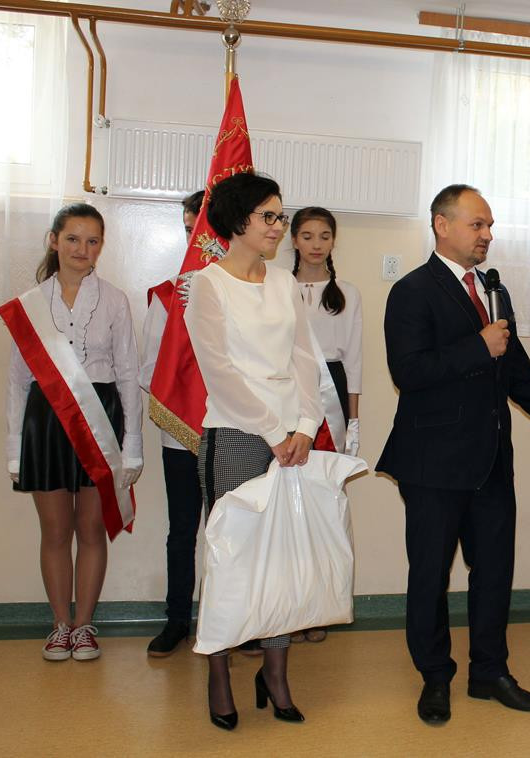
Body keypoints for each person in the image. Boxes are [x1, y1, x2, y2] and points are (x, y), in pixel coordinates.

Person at [377, 184, 530, 725]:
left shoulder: (494, 292)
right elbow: (409, 372)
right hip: (433, 463)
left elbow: (515, 369)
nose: (487, 235)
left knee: (494, 572)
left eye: (490, 226)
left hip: (492, 459)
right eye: (477, 224)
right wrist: (478, 346)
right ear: (442, 225)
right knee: (430, 576)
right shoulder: (411, 291)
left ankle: (490, 672)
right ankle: (435, 677)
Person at [184, 172, 323, 730]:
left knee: (283, 558)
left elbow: (305, 359)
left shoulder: (286, 282)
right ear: (238, 220)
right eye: (269, 216)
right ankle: (218, 672)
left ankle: (275, 674)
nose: (279, 227)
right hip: (237, 435)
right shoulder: (207, 285)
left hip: (291, 438)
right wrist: (273, 431)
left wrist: (306, 426)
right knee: (232, 557)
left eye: (281, 217)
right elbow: (219, 373)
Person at [4, 203, 143, 661]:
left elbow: (128, 375)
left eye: (92, 241)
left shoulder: (115, 300)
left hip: (100, 418)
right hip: (46, 422)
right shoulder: (30, 304)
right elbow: (17, 382)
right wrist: (14, 448)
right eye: (72, 239)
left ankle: (84, 626)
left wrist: (132, 446)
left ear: (101, 246)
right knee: (55, 531)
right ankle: (59, 625)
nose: (82, 249)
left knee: (91, 529)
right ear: (54, 240)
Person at [291, 206, 363, 643]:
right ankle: (289, 607)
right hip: (289, 396)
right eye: (307, 235)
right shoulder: (276, 286)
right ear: (293, 241)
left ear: (334, 241)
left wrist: (352, 421)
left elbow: (353, 361)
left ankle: (319, 608)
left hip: (331, 396)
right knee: (288, 506)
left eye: (324, 236)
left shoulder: (347, 293)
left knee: (323, 507)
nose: (316, 244)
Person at [139, 190, 205, 656]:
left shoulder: (248, 293)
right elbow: (149, 370)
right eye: (187, 230)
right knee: (182, 531)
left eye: (200, 230)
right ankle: (177, 619)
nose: (192, 239)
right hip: (180, 434)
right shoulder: (166, 298)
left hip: (234, 432)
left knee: (234, 531)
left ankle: (234, 621)